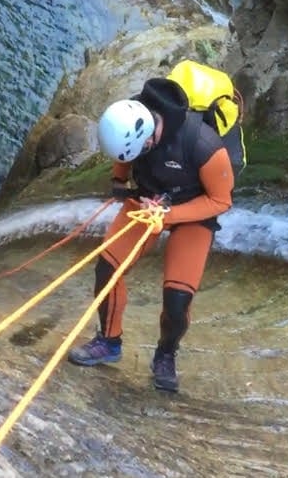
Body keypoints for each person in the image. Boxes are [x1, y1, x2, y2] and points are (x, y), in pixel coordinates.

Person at [67, 76, 234, 393]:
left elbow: (221, 200)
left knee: (177, 297)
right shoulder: (129, 121)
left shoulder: (203, 145)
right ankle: (109, 341)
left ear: (148, 138)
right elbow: (123, 158)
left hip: (192, 212)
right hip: (147, 201)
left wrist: (169, 215)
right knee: (107, 268)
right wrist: (120, 183)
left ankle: (166, 355)